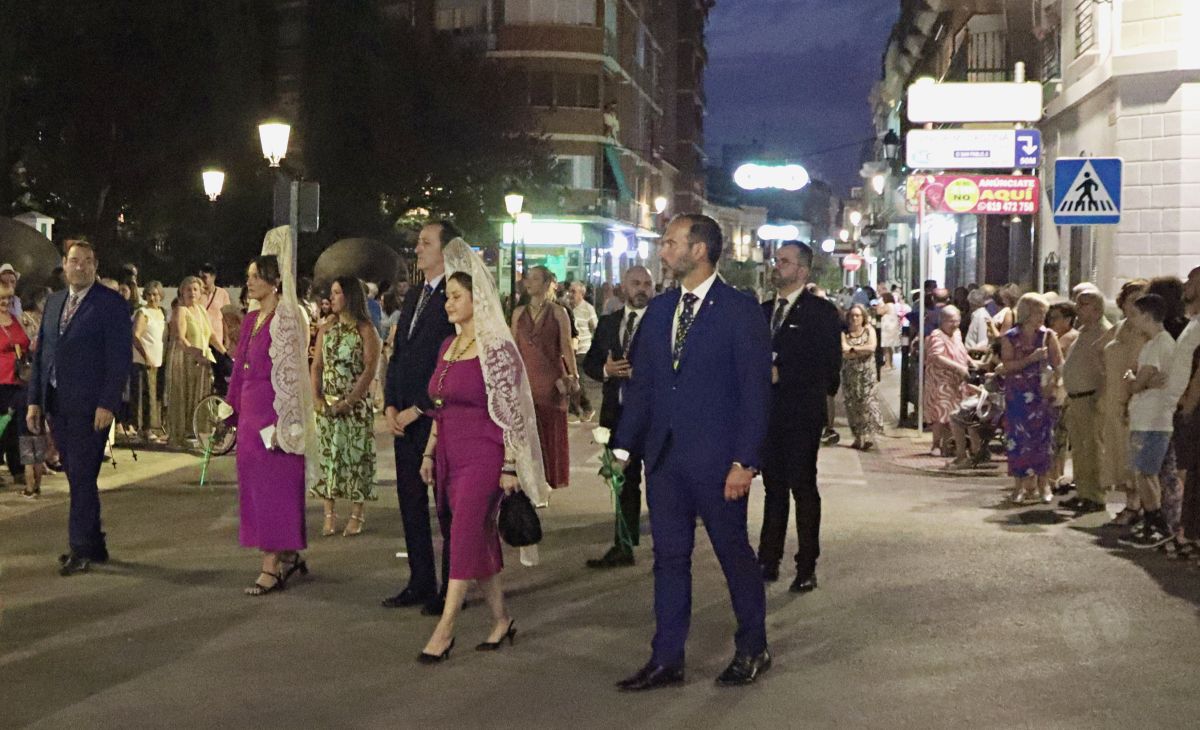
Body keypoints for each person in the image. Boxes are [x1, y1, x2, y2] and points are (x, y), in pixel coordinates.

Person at [613, 214, 772, 690]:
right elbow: (645, 387)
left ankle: (753, 647)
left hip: (719, 463)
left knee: (732, 554)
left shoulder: (740, 310)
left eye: (669, 243)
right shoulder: (661, 311)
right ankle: (667, 658)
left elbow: (755, 392)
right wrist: (622, 448)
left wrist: (745, 461)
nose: (662, 251)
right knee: (669, 559)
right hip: (665, 460)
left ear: (698, 250)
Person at [414, 240, 548, 663]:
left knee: (462, 534)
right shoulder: (447, 348)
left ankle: (446, 627)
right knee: (479, 537)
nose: (449, 304)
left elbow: (512, 412)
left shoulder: (497, 350)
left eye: (457, 297)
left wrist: (510, 464)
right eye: (448, 297)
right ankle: (501, 619)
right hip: (450, 451)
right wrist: (429, 453)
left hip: (486, 454)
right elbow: (439, 406)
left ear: (478, 299)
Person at [26, 240, 132, 576]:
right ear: (65, 265)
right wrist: (34, 401)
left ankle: (80, 548)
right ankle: (95, 543)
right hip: (58, 402)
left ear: (95, 266)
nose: (80, 267)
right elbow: (42, 356)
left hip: (91, 407)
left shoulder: (110, 304)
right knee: (75, 473)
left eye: (87, 261)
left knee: (83, 474)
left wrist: (108, 402)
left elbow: (119, 359)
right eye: (74, 261)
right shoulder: (56, 302)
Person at [224, 230, 318, 596]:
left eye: (255, 276)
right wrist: (229, 409)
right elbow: (239, 366)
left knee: (276, 488)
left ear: (274, 281)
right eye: (248, 276)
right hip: (250, 412)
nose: (249, 283)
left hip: (275, 414)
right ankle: (288, 552)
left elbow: (294, 372)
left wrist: (289, 421)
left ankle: (271, 566)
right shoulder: (251, 320)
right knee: (254, 489)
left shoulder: (289, 317)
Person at [756, 241, 842, 592]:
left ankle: (806, 564)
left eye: (785, 261)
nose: (778, 266)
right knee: (772, 487)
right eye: (777, 260)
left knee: (803, 487)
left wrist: (785, 374)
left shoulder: (820, 313)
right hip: (768, 413)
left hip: (802, 412)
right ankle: (768, 558)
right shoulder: (763, 311)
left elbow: (828, 367)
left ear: (802, 271)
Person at [382, 220, 458, 616]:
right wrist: (391, 405)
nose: (418, 250)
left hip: (435, 416)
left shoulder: (454, 295)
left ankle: (450, 588)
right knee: (410, 500)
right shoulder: (415, 295)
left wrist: (419, 408)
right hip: (403, 417)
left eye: (426, 243)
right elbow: (399, 354)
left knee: (444, 505)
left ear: (446, 250)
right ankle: (419, 579)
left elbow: (449, 361)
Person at [582, 265, 655, 568]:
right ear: (624, 288)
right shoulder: (610, 323)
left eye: (647, 284)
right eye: (636, 283)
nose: (642, 289)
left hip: (652, 418)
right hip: (617, 414)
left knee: (660, 483)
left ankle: (666, 549)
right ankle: (623, 545)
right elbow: (590, 363)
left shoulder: (662, 322)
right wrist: (605, 371)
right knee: (622, 482)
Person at [311, 276, 381, 537]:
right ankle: (329, 514)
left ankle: (356, 513)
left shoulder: (365, 329)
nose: (333, 297)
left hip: (354, 406)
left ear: (350, 296)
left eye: (338, 292)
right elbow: (317, 364)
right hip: (328, 404)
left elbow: (369, 369)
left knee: (356, 460)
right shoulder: (327, 327)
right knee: (328, 459)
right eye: (332, 292)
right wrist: (316, 396)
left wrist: (350, 400)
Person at [1117, 293, 1177, 547]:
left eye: (1135, 315)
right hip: (1148, 417)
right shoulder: (1155, 344)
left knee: (1145, 473)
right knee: (1144, 472)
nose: (1132, 321)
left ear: (1147, 316)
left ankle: (1157, 523)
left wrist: (1132, 379)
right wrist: (1138, 380)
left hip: (1152, 419)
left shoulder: (1158, 345)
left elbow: (1138, 383)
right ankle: (1152, 520)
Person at [512, 265, 575, 491]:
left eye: (535, 278)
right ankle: (528, 477)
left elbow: (566, 347)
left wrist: (573, 376)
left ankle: (549, 478)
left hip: (551, 380)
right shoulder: (518, 314)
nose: (529, 282)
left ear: (547, 283)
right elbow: (513, 349)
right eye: (528, 278)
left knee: (549, 431)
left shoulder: (559, 312)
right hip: (526, 380)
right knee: (527, 429)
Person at [1001, 293, 1064, 504]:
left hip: (1041, 394)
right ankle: (1019, 486)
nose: (1041, 318)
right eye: (1038, 313)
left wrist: (1057, 385)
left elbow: (1058, 364)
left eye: (1044, 314)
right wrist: (1031, 359)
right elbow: (1007, 366)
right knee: (1018, 440)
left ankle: (1043, 484)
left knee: (1043, 439)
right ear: (1027, 313)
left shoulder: (1048, 336)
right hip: (1018, 394)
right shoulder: (1010, 337)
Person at [1058, 290, 1111, 513]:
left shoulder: (1104, 332)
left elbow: (1108, 369)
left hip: (1091, 398)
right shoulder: (1084, 331)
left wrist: (1101, 397)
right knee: (1079, 450)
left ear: (1097, 308)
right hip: (1076, 398)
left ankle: (1095, 496)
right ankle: (1082, 491)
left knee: (1093, 449)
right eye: (1078, 304)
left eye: (1084, 304)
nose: (1079, 308)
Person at [1101, 280, 1150, 526]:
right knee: (1118, 454)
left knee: (1134, 455)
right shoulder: (1120, 328)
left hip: (1131, 399)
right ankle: (1129, 503)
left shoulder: (1145, 332)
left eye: (1139, 300)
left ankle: (1139, 506)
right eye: (1130, 299)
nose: (1133, 305)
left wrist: (1129, 396)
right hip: (1112, 399)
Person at [166, 276, 225, 447]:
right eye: (188, 289)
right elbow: (179, 338)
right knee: (183, 395)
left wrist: (224, 352)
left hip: (201, 358)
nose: (192, 292)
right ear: (182, 292)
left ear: (200, 293)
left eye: (195, 289)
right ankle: (180, 434)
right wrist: (197, 354)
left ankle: (196, 432)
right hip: (184, 357)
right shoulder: (180, 310)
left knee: (201, 395)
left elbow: (212, 335)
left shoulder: (201, 310)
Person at [924, 305, 971, 457]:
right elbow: (937, 356)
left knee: (954, 412)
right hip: (941, 381)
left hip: (956, 382)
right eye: (951, 321)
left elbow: (961, 350)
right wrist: (958, 367)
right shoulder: (936, 335)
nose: (955, 324)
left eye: (957, 321)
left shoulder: (957, 333)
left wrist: (971, 362)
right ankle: (936, 444)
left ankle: (948, 444)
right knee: (940, 413)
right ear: (942, 321)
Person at [0, 283, 31, 486]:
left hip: (18, 379)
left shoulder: (14, 319)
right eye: (1, 299)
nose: (5, 303)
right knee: (2, 425)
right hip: (1, 380)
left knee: (17, 426)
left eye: (9, 299)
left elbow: (25, 341)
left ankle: (18, 468)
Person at [841, 303, 884, 450]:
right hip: (850, 374)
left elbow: (871, 348)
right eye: (852, 315)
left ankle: (868, 436)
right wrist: (859, 350)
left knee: (867, 403)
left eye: (857, 315)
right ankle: (858, 437)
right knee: (852, 404)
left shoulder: (869, 330)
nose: (854, 318)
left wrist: (853, 349)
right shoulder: (844, 332)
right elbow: (844, 350)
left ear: (863, 317)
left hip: (867, 374)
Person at [131, 281, 167, 443]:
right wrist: (146, 357)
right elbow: (136, 336)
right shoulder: (142, 312)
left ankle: (151, 427)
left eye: (156, 294)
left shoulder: (162, 313)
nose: (153, 297)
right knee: (143, 395)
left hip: (158, 361)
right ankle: (143, 429)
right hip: (143, 361)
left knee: (154, 396)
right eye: (150, 294)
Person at [199, 264, 233, 396]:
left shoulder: (222, 294)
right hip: (202, 341)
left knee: (221, 374)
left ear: (213, 277)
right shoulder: (197, 294)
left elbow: (226, 317)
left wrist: (227, 339)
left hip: (217, 340)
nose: (202, 280)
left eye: (205, 277)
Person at [568, 280, 598, 422]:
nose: (571, 294)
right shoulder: (568, 308)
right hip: (570, 350)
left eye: (574, 291)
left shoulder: (588, 308)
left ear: (582, 293)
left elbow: (595, 327)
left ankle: (586, 408)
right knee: (572, 380)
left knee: (578, 380)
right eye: (570, 291)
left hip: (583, 350)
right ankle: (576, 409)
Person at [963, 288, 994, 356]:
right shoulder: (976, 315)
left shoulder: (981, 316)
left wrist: (968, 350)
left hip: (975, 356)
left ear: (971, 303)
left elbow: (983, 341)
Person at [878, 291, 901, 369]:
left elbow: (879, 312)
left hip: (887, 328)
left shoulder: (887, 305)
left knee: (886, 346)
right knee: (890, 347)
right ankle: (891, 363)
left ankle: (887, 364)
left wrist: (878, 304)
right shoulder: (893, 305)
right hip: (893, 328)